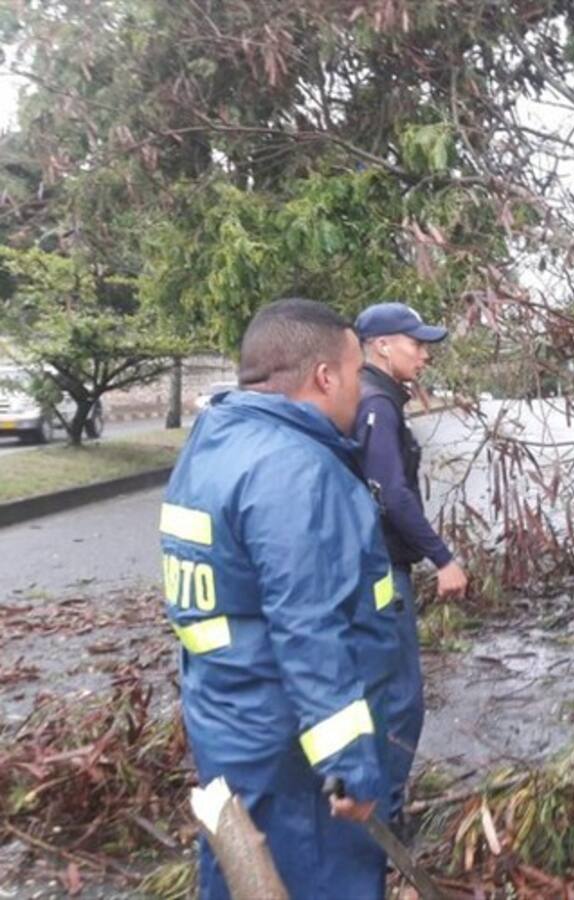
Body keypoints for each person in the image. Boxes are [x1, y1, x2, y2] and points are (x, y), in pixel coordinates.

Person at [160, 298, 401, 900]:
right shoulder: (296, 469)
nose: (357, 389)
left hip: (229, 720)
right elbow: (309, 627)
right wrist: (350, 763)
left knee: (244, 875)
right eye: (354, 373)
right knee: (319, 880)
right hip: (293, 754)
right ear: (325, 376)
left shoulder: (215, 441)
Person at [352, 301, 469, 832]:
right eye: (415, 342)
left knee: (381, 695)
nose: (424, 353)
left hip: (372, 564)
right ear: (381, 345)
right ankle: (386, 824)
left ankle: (371, 812)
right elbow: (391, 493)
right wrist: (443, 558)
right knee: (399, 703)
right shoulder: (376, 402)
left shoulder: (374, 397)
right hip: (380, 570)